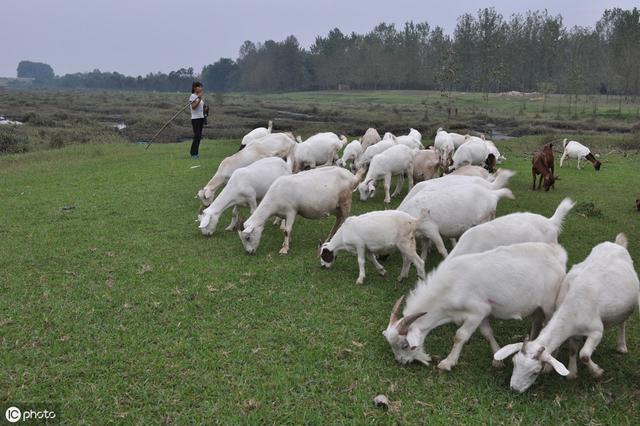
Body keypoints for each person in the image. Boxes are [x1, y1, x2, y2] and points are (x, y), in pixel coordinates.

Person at [189, 81, 205, 159]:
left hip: (201, 117)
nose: (200, 88)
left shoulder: (198, 97)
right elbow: (193, 107)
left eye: (201, 87)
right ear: (195, 88)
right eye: (199, 86)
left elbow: (201, 107)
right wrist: (198, 99)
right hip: (195, 119)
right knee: (197, 135)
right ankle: (193, 153)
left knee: (199, 136)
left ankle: (196, 153)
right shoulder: (193, 96)